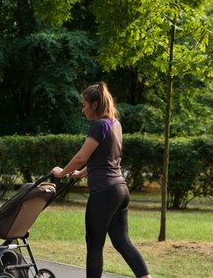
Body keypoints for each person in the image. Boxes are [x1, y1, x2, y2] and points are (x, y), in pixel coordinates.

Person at [51, 82, 151, 278]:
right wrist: (80, 174)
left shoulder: (98, 125)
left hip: (104, 192)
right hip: (120, 190)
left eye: (84, 104)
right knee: (122, 241)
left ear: (95, 105)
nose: (83, 109)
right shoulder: (116, 124)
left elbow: (81, 157)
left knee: (95, 244)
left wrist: (61, 173)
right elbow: (105, 158)